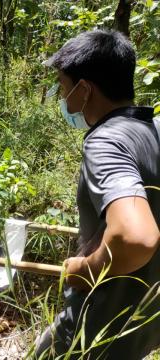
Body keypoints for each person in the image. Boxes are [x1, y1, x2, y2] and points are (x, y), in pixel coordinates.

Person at [35, 29, 160, 359]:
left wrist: (85, 268)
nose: (64, 100)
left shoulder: (106, 142)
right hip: (145, 322)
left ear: (85, 90)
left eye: (64, 87)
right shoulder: (153, 130)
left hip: (98, 328)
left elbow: (137, 238)